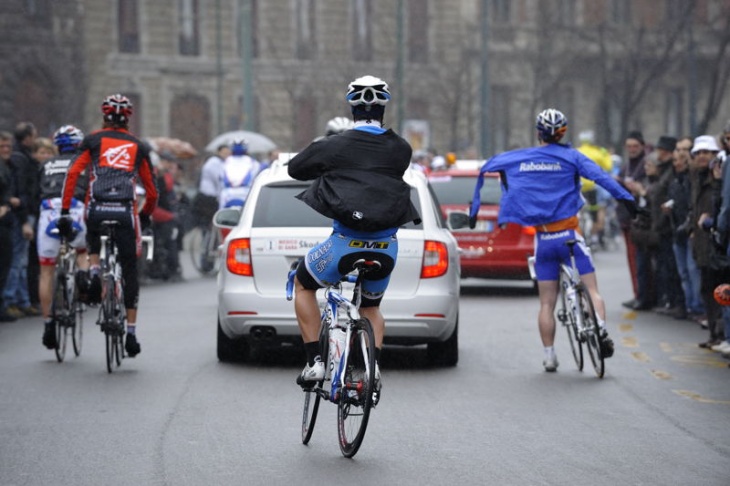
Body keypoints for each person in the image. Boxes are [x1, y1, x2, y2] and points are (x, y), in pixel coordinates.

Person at [468, 108, 637, 372]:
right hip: (570, 236)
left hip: (544, 241)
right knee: (592, 291)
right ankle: (600, 329)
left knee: (546, 303)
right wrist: (629, 200)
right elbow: (603, 178)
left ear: (538, 133)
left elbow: (487, 168)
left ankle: (549, 355)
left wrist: (475, 210)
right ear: (563, 133)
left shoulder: (521, 158)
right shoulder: (572, 157)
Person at [287, 75, 420, 397]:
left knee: (303, 284)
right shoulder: (401, 148)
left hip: (343, 245)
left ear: (352, 106)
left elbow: (295, 169)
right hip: (386, 249)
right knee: (371, 308)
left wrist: (329, 168)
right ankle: (370, 368)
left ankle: (315, 362)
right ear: (384, 107)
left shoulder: (334, 146)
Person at [59, 94, 158, 358]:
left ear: (104, 116)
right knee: (130, 269)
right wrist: (145, 214)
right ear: (128, 119)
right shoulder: (139, 146)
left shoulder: (92, 140)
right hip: (126, 211)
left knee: (92, 233)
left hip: (97, 207)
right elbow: (152, 191)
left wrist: (65, 211)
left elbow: (72, 174)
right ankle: (132, 334)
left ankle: (93, 271)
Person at [38, 125, 90, 349]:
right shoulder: (84, 164)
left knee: (46, 271)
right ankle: (83, 280)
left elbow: (34, 192)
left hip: (48, 211)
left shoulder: (45, 164)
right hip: (75, 209)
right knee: (82, 252)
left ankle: (48, 324)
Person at [688, 135, 725, 349]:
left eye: (706, 153)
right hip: (701, 243)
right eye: (699, 153)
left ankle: (721, 334)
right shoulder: (697, 178)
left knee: (719, 291)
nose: (702, 157)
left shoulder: (717, 179)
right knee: (707, 289)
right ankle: (714, 334)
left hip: (716, 241)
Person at [666, 136, 705, 321]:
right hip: (677, 230)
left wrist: (690, 227)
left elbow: (694, 205)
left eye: (685, 151)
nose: (680, 157)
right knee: (684, 272)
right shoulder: (676, 179)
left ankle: (697, 307)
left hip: (691, 230)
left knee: (693, 270)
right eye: (678, 152)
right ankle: (691, 306)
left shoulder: (694, 176)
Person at [4, 122, 39, 319]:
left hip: (22, 212)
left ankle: (21, 299)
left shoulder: (21, 157)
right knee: (18, 260)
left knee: (21, 260)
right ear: (27, 138)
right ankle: (13, 300)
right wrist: (25, 217)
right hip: (22, 214)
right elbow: (22, 189)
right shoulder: (21, 159)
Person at [617, 131, 647, 310]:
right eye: (629, 147)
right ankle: (637, 293)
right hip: (627, 220)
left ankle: (643, 296)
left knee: (641, 261)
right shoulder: (626, 165)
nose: (632, 150)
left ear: (642, 146)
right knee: (632, 260)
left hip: (640, 220)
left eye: (635, 146)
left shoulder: (646, 164)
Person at [576, 130, 613, 248]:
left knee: (578, 212)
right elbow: (609, 166)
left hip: (578, 186)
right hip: (592, 187)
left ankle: (579, 232)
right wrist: (605, 153)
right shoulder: (597, 152)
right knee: (595, 212)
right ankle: (594, 237)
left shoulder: (575, 152)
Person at [192, 143, 230, 228]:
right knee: (208, 223)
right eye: (224, 153)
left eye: (228, 153)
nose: (226, 155)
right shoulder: (214, 162)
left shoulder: (220, 162)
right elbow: (219, 180)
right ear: (218, 152)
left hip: (211, 198)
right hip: (208, 198)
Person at [0, 132, 17, 322]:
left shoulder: (9, 166)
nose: (5, 150)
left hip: (7, 220)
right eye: (1, 146)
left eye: (8, 147)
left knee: (5, 265)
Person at [218, 139, 262, 209]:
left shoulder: (225, 161)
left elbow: (220, 177)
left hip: (228, 193)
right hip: (245, 192)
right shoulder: (253, 162)